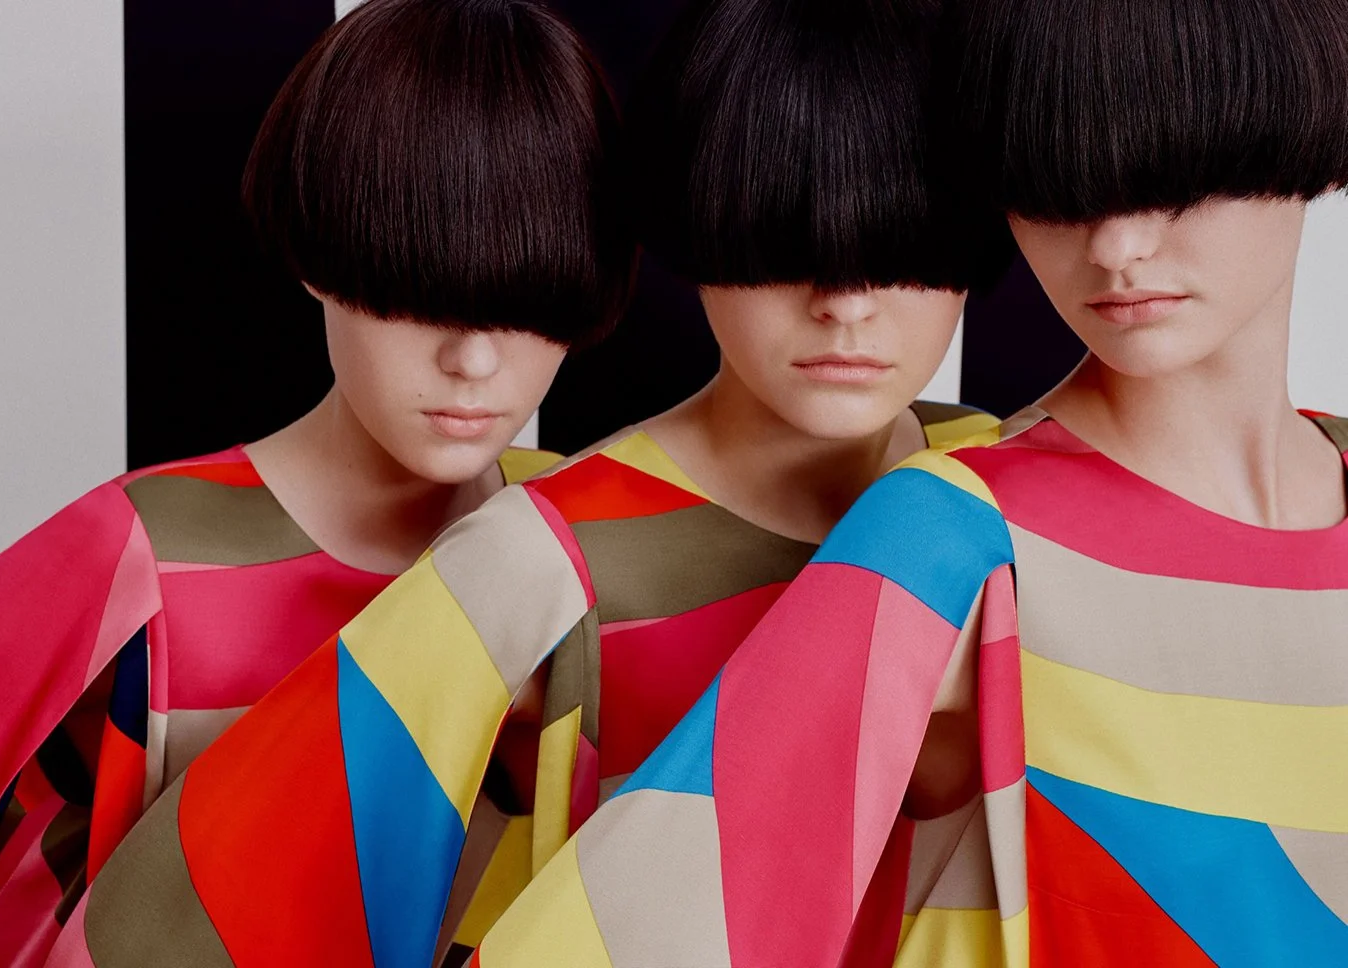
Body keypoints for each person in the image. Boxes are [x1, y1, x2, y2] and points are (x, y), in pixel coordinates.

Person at [46, 1, 1011, 966]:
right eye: (783, 241)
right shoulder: (541, 555)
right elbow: (246, 877)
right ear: (699, 224)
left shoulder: (997, 487)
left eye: (904, 248)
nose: (846, 305)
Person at [472, 0, 1348, 964]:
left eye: (1179, 182)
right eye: (1054, 187)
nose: (1115, 249)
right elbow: (641, 913)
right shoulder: (949, 533)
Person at [0, 1, 634, 965]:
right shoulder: (142, 557)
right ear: (318, 260)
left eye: (527, 306)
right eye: (415, 291)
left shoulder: (583, 543)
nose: (472, 360)